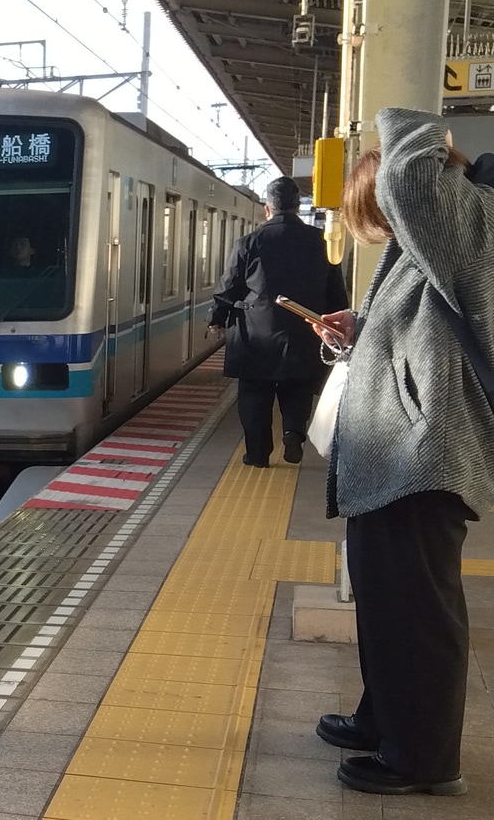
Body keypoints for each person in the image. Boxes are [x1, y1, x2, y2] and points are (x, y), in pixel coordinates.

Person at [311, 108, 494, 797]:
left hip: (426, 456)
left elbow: (416, 173)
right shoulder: (430, 249)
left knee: (418, 610)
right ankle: (384, 717)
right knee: (390, 602)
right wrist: (356, 330)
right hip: (400, 457)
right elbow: (422, 336)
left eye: (382, 208)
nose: (386, 222)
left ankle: (423, 756)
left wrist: (412, 130)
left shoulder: (468, 217)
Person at [207, 175, 349, 467]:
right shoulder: (319, 241)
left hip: (254, 334)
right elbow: (335, 290)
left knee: (254, 395)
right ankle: (293, 433)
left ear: (267, 209)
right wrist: (335, 324)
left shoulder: (249, 242)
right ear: (298, 207)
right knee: (298, 387)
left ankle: (257, 455)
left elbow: (228, 286)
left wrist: (216, 318)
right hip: (303, 329)